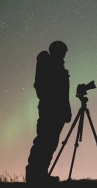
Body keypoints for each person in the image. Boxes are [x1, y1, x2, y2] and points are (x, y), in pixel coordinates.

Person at [26, 41, 72, 183]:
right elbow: (42, 87)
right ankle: (35, 175)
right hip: (50, 110)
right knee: (44, 142)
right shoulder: (48, 65)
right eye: (62, 52)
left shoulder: (56, 66)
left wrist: (66, 109)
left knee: (50, 143)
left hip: (56, 111)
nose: (64, 56)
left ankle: (41, 174)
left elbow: (63, 93)